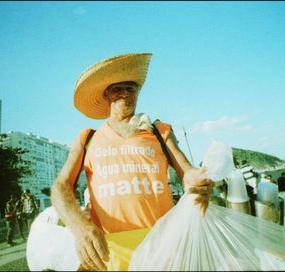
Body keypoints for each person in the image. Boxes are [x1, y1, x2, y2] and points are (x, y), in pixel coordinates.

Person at [51, 53, 214, 271]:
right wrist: (80, 226)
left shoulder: (159, 131)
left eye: (131, 88)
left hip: (163, 245)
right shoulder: (87, 138)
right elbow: (61, 186)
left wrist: (195, 178)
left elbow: (186, 171)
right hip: (110, 250)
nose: (125, 94)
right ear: (107, 94)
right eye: (118, 88)